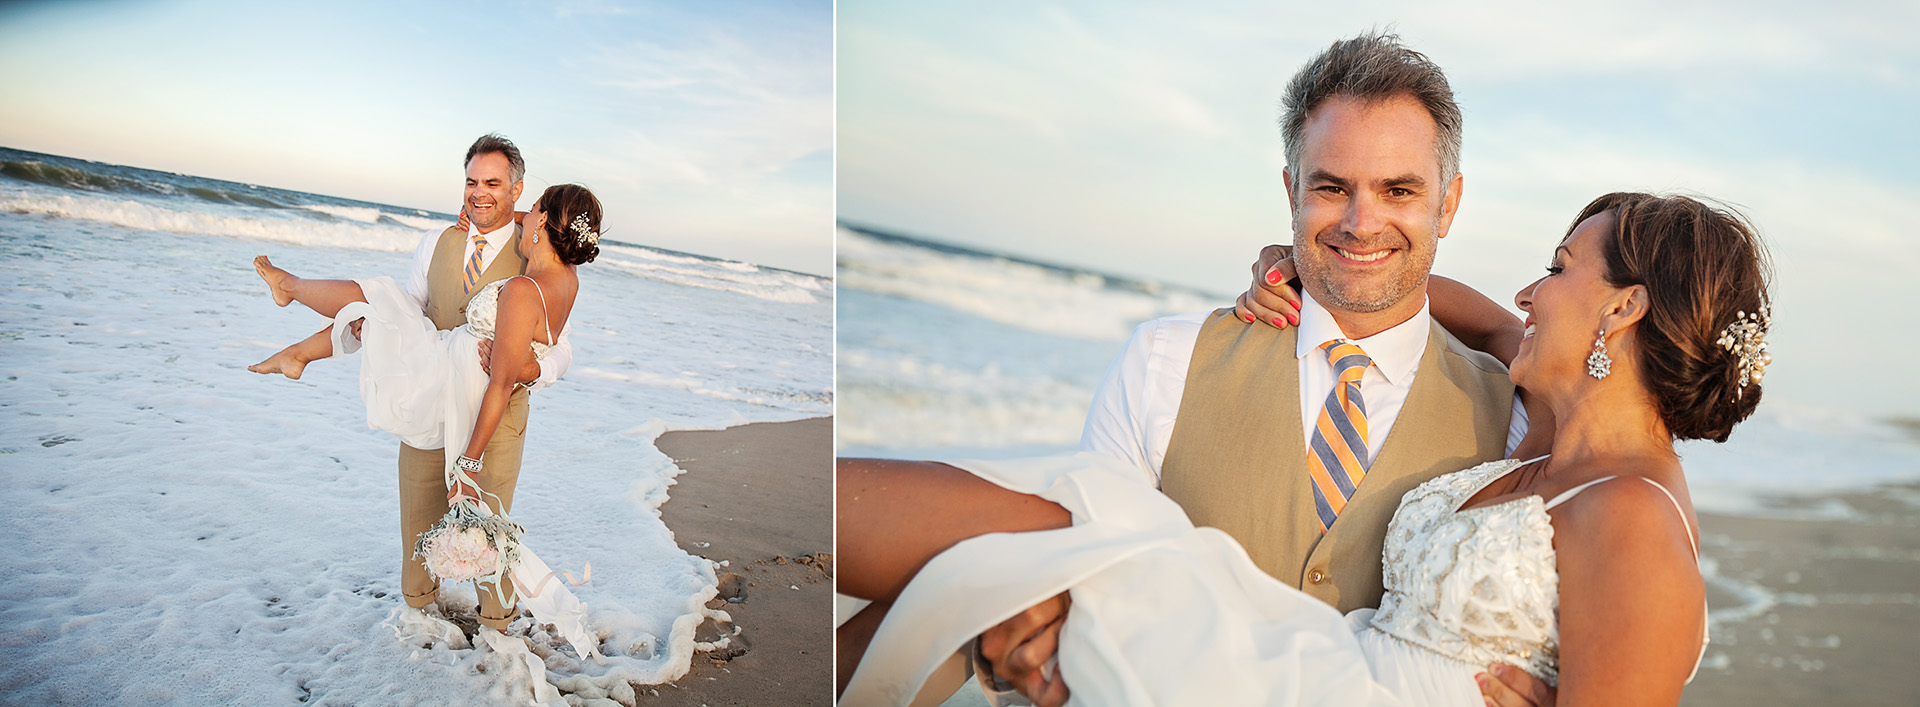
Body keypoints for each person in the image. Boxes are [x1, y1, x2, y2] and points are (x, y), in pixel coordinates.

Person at [838, 190, 1772, 706]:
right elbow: (1441, 295)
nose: (1529, 292)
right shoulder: (1545, 435)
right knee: (1016, 549)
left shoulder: (1635, 516)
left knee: (1041, 542)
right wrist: (1320, 263)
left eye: (1560, 267)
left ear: (1625, 306)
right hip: (1311, 662)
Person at [841, 31, 1537, 705]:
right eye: (1331, 187)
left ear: (1447, 203)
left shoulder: (1517, 420)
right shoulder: (1164, 361)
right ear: (1291, 189)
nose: (1361, 221)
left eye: (1399, 191)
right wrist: (1028, 623)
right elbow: (1071, 583)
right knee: (972, 567)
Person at [248, 134, 597, 636]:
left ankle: (500, 637)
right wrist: (388, 329)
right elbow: (414, 304)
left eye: (493, 184)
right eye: (472, 182)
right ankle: (418, 623)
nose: (480, 192)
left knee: (487, 528)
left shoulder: (537, 259)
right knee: (417, 514)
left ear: (520, 193)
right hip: (431, 391)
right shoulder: (438, 241)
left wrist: (532, 371)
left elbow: (560, 344)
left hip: (490, 411)